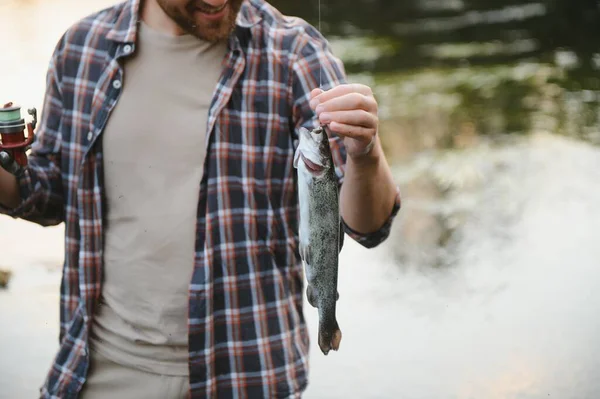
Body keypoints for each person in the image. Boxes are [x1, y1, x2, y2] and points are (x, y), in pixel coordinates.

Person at [0, 0, 401, 397]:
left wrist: (365, 154)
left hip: (248, 375)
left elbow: (368, 226)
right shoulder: (82, 48)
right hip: (100, 374)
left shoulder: (294, 51)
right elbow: (47, 195)